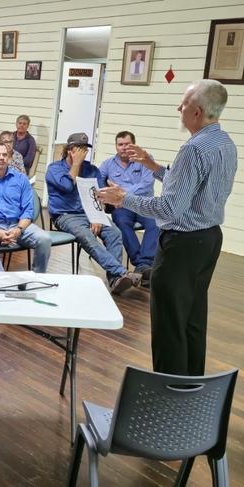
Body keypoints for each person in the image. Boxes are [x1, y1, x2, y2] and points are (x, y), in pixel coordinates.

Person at [97, 80, 237, 376]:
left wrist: (124, 199)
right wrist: (152, 165)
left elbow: (169, 207)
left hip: (182, 245)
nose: (179, 108)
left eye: (183, 103)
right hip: (209, 240)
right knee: (192, 318)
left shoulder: (194, 149)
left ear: (197, 112)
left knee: (169, 323)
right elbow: (188, 185)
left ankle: (168, 391)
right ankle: (190, 385)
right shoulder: (224, 143)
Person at [46, 132, 138, 294]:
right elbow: (67, 186)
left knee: (115, 233)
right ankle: (121, 272)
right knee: (87, 236)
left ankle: (115, 280)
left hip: (90, 212)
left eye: (85, 149)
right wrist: (76, 164)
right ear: (69, 150)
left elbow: (100, 196)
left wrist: (97, 216)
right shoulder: (54, 169)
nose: (83, 152)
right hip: (65, 215)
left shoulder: (92, 170)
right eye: (79, 148)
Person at [0, 141, 51, 273]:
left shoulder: (21, 179)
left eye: (5, 155)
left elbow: (28, 210)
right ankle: (0, 279)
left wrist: (19, 229)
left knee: (44, 239)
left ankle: (38, 277)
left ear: (9, 157)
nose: (2, 158)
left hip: (18, 224)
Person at [99, 131, 159, 284]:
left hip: (143, 203)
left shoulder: (145, 160)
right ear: (116, 146)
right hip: (121, 207)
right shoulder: (107, 165)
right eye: (120, 145)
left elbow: (146, 185)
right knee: (122, 224)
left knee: (156, 223)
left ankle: (144, 263)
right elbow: (97, 183)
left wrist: (121, 192)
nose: (124, 148)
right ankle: (143, 266)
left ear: (134, 144)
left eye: (127, 144)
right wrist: (110, 195)